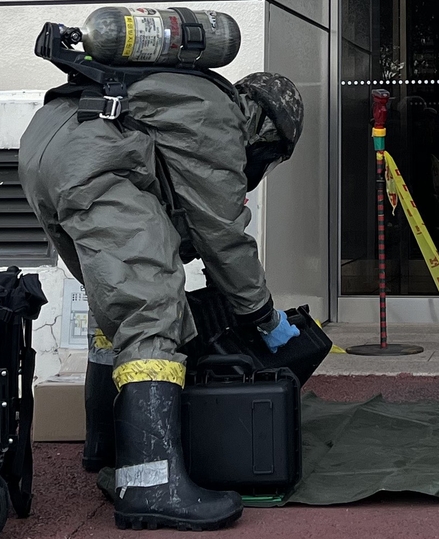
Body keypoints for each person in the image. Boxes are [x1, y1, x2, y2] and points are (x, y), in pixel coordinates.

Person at [19, 69, 304, 531]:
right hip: (96, 162)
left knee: (114, 299)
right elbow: (222, 234)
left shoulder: (184, 94)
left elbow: (179, 207)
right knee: (152, 311)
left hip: (46, 147)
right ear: (269, 127)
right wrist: (264, 316)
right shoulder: (224, 117)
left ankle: (106, 448)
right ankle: (152, 483)